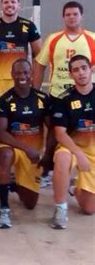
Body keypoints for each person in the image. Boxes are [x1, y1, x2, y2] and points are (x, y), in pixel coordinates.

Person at [33, 2, 94, 185]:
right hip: (59, 95)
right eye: (68, 14)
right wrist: (36, 92)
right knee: (54, 132)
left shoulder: (91, 39)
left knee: (86, 130)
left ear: (81, 15)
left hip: (85, 95)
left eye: (75, 14)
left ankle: (81, 169)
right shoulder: (54, 39)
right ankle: (48, 172)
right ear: (63, 17)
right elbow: (40, 64)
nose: (71, 17)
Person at [0, 59, 51, 229]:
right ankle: (4, 208)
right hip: (14, 147)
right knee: (5, 155)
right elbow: (0, 132)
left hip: (34, 152)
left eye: (25, 72)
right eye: (18, 73)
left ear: (31, 74)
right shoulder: (4, 100)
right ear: (12, 75)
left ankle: (11, 184)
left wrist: (47, 155)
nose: (22, 76)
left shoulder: (42, 98)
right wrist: (26, 149)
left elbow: (53, 129)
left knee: (30, 203)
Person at [50, 55, 94, 229]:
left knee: (90, 209)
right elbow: (60, 134)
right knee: (62, 158)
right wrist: (79, 154)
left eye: (84, 68)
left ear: (91, 69)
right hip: (72, 147)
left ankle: (77, 190)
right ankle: (60, 209)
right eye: (75, 70)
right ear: (70, 75)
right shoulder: (64, 99)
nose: (81, 73)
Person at [0, 0, 42, 103]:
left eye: (13, 2)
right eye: (6, 2)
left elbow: (39, 55)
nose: (10, 5)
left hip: (22, 79)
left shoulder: (29, 26)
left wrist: (35, 79)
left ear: (19, 5)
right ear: (1, 5)